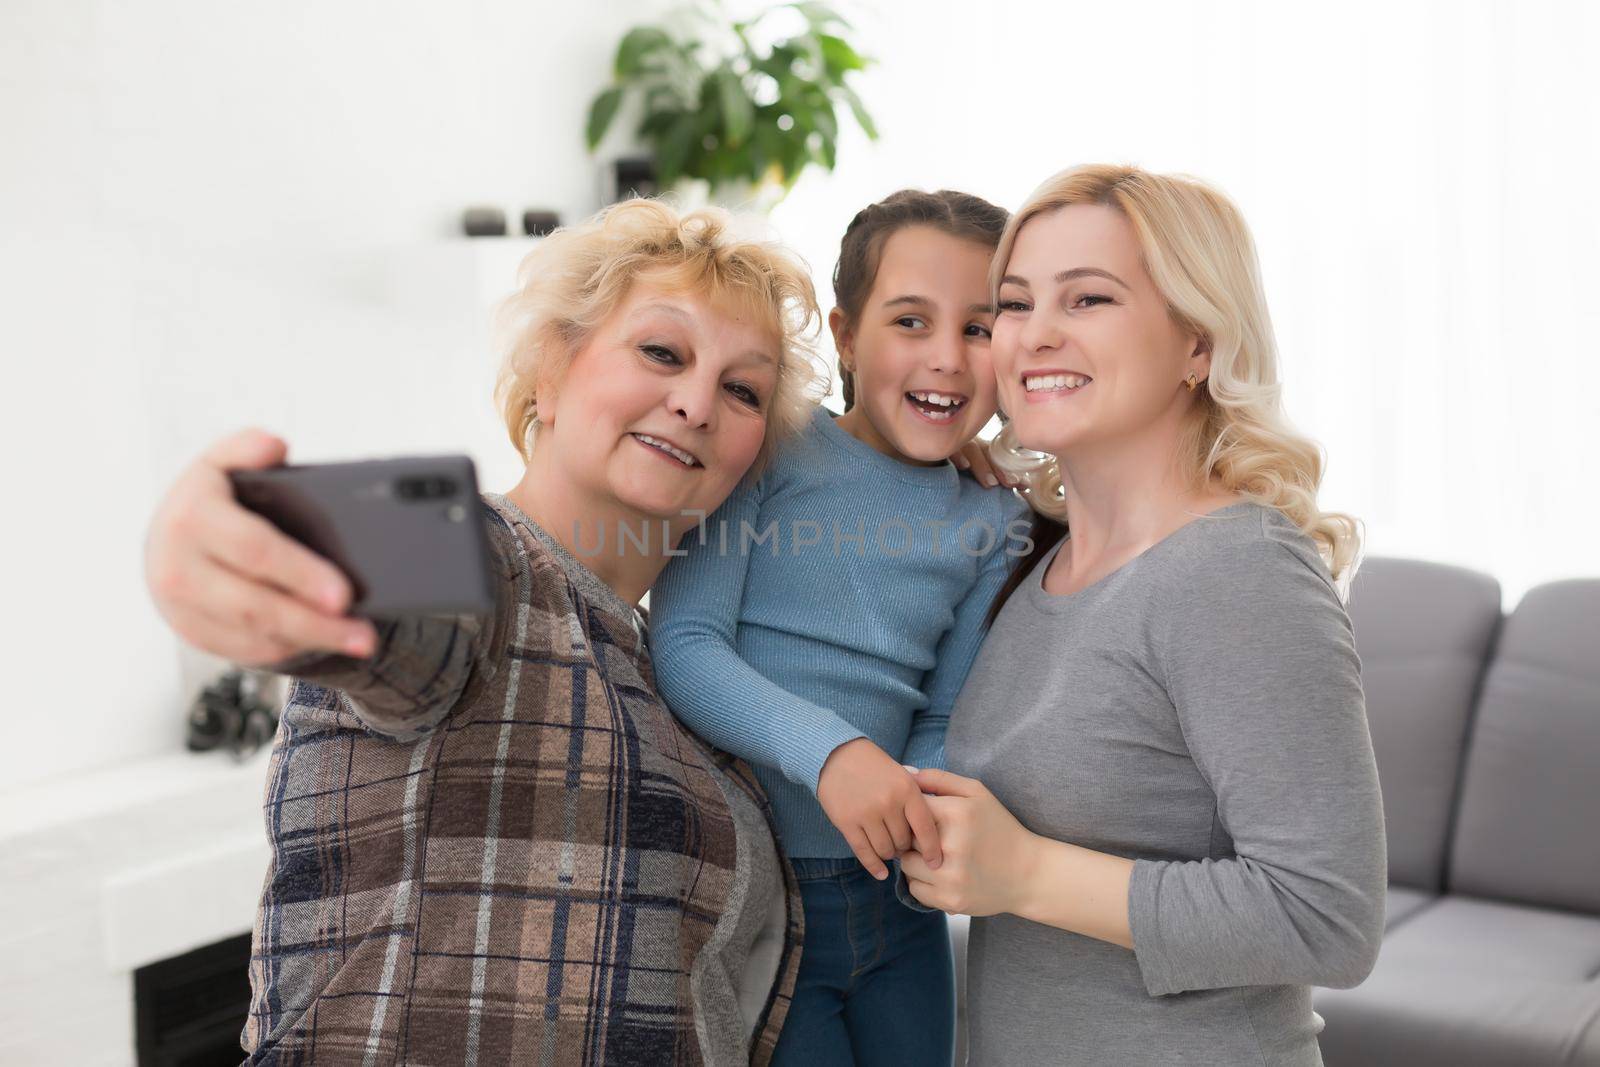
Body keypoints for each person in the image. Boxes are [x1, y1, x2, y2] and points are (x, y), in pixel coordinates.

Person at [143, 199, 832, 1065]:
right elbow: (410, 598)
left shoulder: (680, 672)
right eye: (662, 351)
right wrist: (254, 547)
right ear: (550, 366)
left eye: (743, 390)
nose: (696, 402)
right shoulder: (493, 568)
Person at [896, 164, 1387, 1065]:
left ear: (1199, 343)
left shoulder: (1237, 569)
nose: (1035, 334)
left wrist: (1028, 872)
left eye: (1088, 299)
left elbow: (1330, 916)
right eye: (1013, 303)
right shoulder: (1034, 560)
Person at [648, 189, 1029, 1067]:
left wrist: (924, 792)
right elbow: (686, 645)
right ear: (848, 335)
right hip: (759, 901)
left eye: (979, 327)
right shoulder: (768, 451)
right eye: (910, 321)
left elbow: (939, 712)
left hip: (899, 908)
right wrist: (834, 754)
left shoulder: (994, 517)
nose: (947, 359)